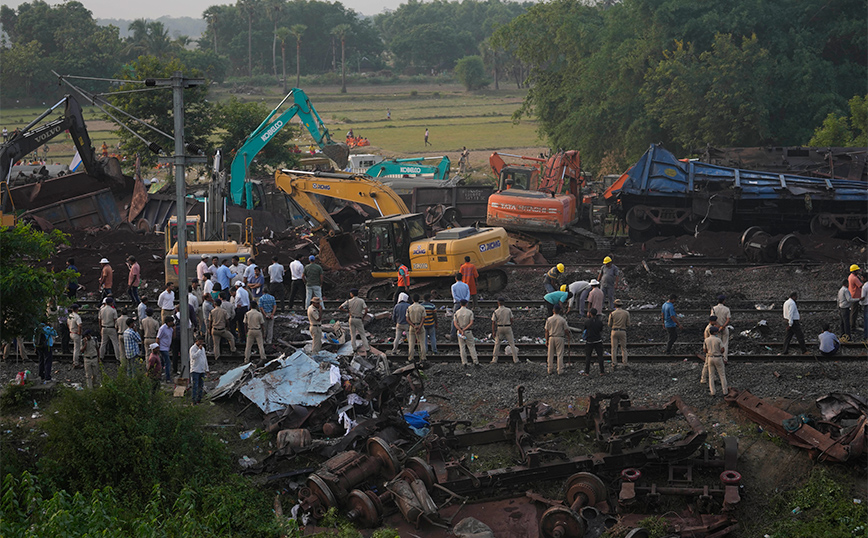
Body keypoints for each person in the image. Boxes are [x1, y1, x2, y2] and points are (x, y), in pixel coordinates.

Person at [491, 297, 518, 364]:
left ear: (498, 303)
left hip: (499, 327)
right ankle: (515, 359)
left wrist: (493, 331)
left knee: (497, 343)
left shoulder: (496, 311)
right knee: (512, 343)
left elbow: (493, 322)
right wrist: (510, 324)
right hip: (508, 327)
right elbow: (512, 319)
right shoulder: (508, 310)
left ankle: (494, 359)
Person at [545, 304, 570, 375]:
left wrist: (546, 340)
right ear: (559, 311)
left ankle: (550, 369)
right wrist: (568, 336)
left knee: (550, 354)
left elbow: (546, 331)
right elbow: (566, 330)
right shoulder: (562, 320)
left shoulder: (549, 319)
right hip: (560, 337)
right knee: (559, 354)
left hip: (551, 337)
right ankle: (560, 370)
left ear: (553, 311)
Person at [703, 326, 728, 396]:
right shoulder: (718, 340)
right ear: (715, 332)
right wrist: (719, 352)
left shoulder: (706, 340)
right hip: (718, 357)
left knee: (711, 375)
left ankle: (712, 392)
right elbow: (723, 349)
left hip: (710, 357)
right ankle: (725, 391)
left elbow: (704, 350)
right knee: (722, 375)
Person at [453, 299, 479, 366]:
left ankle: (464, 362)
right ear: (466, 304)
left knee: (462, 347)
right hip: (468, 331)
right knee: (471, 346)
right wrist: (464, 329)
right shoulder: (470, 312)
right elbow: (471, 322)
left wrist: (461, 330)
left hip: (459, 331)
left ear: (460, 304)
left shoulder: (457, 312)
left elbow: (455, 323)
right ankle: (475, 361)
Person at [582, 308, 605, 376]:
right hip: (598, 340)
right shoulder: (599, 322)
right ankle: (602, 371)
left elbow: (584, 329)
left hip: (589, 341)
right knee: (600, 356)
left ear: (590, 314)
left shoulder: (587, 322)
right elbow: (601, 330)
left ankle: (587, 372)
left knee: (588, 356)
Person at [608, 299, 630, 368]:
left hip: (614, 331)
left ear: (615, 305)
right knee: (623, 348)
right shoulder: (626, 313)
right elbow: (628, 324)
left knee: (614, 348)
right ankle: (625, 363)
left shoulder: (612, 313)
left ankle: (614, 363)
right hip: (623, 331)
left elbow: (609, 324)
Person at [710, 295, 732, 361]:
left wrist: (718, 327)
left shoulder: (714, 308)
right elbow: (728, 319)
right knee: (725, 343)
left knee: (717, 344)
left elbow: (713, 319)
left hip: (716, 329)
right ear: (723, 301)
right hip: (724, 328)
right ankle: (724, 359)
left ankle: (718, 358)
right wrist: (723, 326)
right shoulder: (727, 309)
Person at [406, 294, 427, 362]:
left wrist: (413, 326)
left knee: (411, 343)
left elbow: (407, 319)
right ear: (419, 299)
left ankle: (410, 358)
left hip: (412, 327)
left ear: (413, 300)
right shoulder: (422, 307)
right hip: (420, 326)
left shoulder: (409, 308)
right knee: (422, 343)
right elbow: (423, 318)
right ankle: (423, 358)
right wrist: (419, 327)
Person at [700, 316, 720, 385]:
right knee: (706, 365)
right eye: (715, 321)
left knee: (709, 364)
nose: (716, 322)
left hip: (709, 347)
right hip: (710, 348)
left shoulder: (709, 327)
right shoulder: (709, 328)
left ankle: (710, 377)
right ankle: (703, 379)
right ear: (712, 321)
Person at [450, 274, 470, 339]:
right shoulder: (466, 285)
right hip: (465, 303)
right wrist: (465, 301)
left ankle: (453, 335)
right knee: (466, 318)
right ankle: (465, 333)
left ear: (456, 278)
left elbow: (454, 296)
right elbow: (468, 294)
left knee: (455, 319)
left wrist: (460, 301)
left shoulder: (453, 286)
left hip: (457, 303)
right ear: (462, 278)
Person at [190, 336, 209, 404]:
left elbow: (204, 359)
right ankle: (194, 400)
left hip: (202, 369)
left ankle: (199, 399)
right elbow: (193, 357)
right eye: (199, 341)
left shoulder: (203, 349)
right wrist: (199, 350)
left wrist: (207, 369)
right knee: (195, 386)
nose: (201, 343)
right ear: (196, 341)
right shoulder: (193, 348)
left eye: (202, 341)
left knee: (201, 385)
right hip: (195, 369)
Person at [157, 317, 175, 382]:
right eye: (172, 322)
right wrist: (158, 348)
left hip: (167, 348)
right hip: (162, 348)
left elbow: (173, 337)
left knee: (162, 363)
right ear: (168, 322)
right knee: (168, 362)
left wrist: (174, 330)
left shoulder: (171, 329)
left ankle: (160, 376)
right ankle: (167, 378)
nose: (173, 323)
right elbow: (158, 338)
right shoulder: (162, 328)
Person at [848, 264, 864, 334]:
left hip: (853, 295)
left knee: (853, 311)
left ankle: (853, 325)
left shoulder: (851, 276)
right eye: (857, 270)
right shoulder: (855, 278)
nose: (858, 271)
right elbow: (861, 286)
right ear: (854, 271)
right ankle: (853, 327)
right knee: (854, 312)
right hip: (855, 297)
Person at [68, 303, 83, 369]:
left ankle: (76, 361)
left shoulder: (70, 315)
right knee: (77, 349)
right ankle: (76, 363)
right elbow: (79, 325)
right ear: (77, 309)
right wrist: (79, 332)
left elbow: (67, 324)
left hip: (71, 332)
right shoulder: (77, 316)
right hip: (76, 333)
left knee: (75, 348)